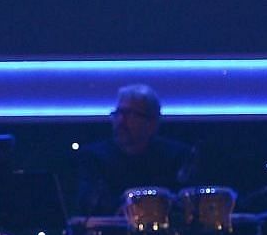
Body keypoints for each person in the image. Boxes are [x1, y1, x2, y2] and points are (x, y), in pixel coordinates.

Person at [74, 84, 199, 215]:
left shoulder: (177, 156)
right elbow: (88, 203)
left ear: (151, 122)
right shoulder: (94, 157)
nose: (121, 121)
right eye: (118, 113)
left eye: (129, 115)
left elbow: (184, 205)